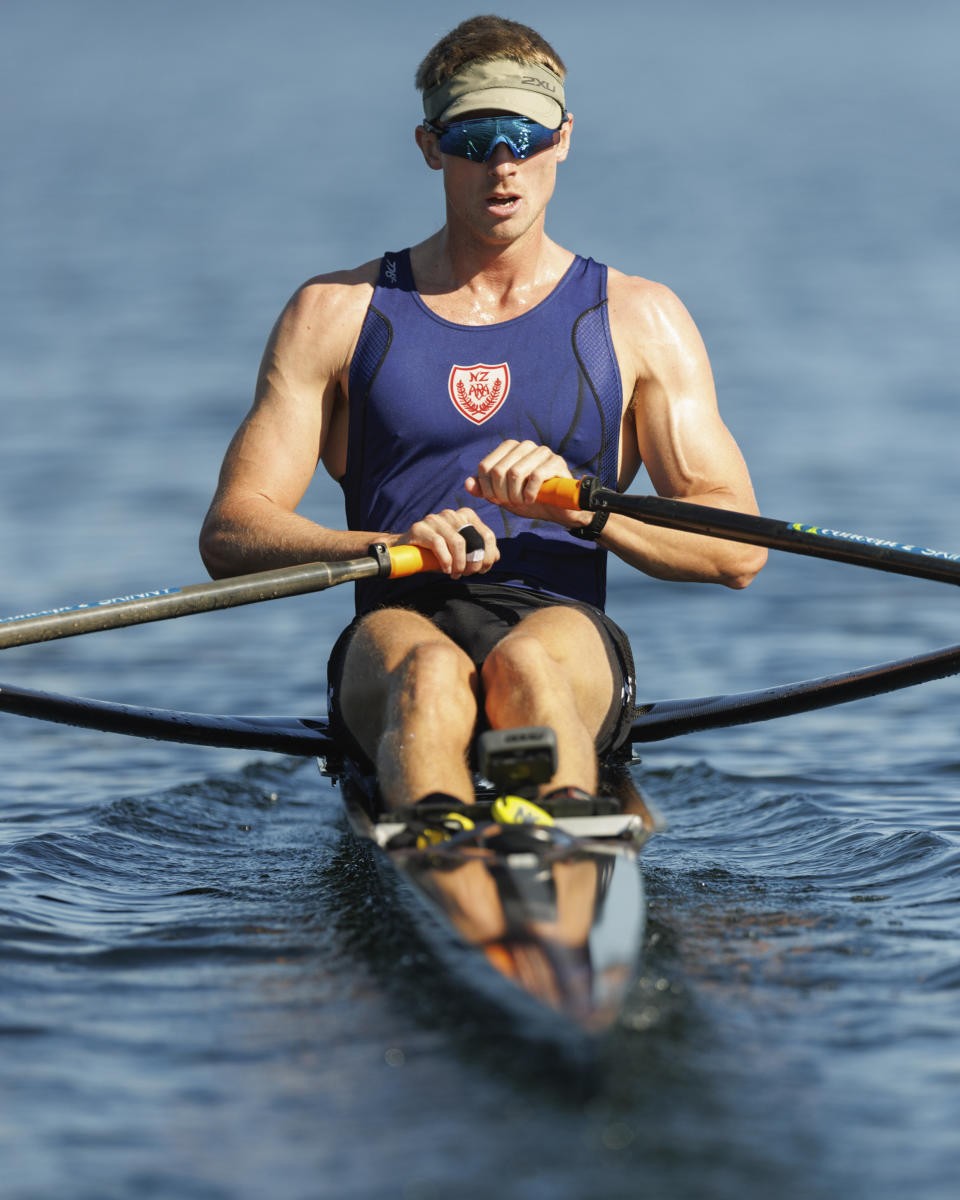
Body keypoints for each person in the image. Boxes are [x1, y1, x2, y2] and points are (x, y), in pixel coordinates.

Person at [199, 14, 766, 816]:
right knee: (432, 677)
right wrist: (385, 547)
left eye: (524, 137)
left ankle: (557, 849)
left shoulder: (640, 319)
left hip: (558, 626)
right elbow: (230, 532)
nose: (503, 165)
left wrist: (586, 509)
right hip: (398, 621)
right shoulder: (336, 313)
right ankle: (451, 855)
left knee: (524, 671)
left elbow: (737, 550)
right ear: (430, 146)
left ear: (563, 138)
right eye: (475, 140)